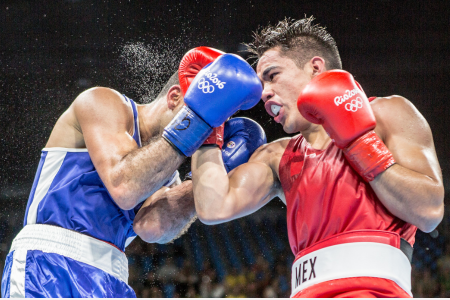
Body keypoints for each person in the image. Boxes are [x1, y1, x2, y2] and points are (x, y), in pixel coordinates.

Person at [191, 16, 445, 298]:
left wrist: (359, 142)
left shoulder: (386, 114)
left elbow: (429, 212)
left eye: (272, 75)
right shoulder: (276, 156)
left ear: (315, 68)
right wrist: (206, 123)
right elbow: (213, 208)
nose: (264, 93)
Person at [1, 46, 265, 298]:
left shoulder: (166, 170)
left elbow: (152, 228)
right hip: (49, 263)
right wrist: (200, 119)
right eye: (206, 116)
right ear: (175, 97)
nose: (209, 131)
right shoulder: (103, 103)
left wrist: (209, 178)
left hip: (111, 275)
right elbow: (124, 186)